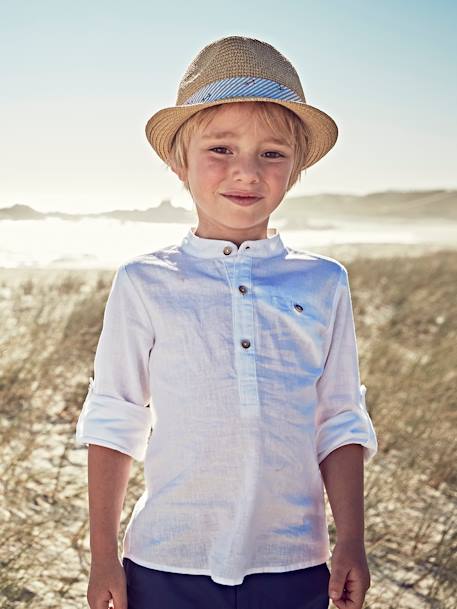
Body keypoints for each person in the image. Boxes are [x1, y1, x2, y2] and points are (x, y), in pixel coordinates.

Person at [75, 35, 378, 609]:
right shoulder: (145, 281)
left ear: (295, 169)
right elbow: (114, 417)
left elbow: (339, 417)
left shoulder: (323, 282)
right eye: (220, 149)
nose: (247, 172)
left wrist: (353, 542)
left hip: (293, 562)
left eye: (272, 154)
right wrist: (102, 557)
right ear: (178, 163)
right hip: (167, 559)